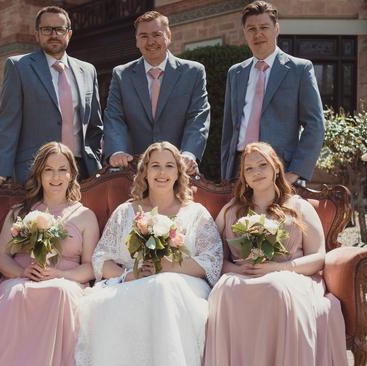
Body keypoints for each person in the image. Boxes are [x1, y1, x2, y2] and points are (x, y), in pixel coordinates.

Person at [74, 142, 223, 366]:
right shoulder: (125, 212)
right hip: (131, 283)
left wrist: (166, 268)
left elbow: (211, 260)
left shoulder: (195, 213)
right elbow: (101, 258)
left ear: (178, 173)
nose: (162, 173)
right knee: (125, 298)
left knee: (162, 286)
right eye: (155, 166)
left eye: (169, 166)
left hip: (181, 286)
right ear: (145, 172)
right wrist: (129, 276)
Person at [204, 142, 347, 366]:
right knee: (225, 290)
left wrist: (278, 267)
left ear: (276, 168)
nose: (256, 172)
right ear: (243, 176)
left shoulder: (299, 207)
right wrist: (238, 268)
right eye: (249, 169)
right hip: (242, 276)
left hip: (290, 275)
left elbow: (318, 257)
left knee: (275, 287)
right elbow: (212, 257)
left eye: (262, 165)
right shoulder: (231, 211)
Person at [0, 142, 100, 366]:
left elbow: (90, 267)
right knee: (17, 293)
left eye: (62, 169)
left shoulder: (85, 216)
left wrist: (58, 274)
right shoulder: (20, 212)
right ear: (39, 174)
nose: (55, 177)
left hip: (66, 283)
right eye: (48, 169)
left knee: (58, 292)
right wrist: (21, 272)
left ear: (71, 174)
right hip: (21, 279)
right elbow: (0, 257)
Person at [0, 5, 104, 195]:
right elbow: (9, 124)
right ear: (37, 34)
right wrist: (0, 173)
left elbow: (95, 126)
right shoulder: (19, 67)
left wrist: (94, 159)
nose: (53, 34)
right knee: (39, 225)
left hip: (81, 172)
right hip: (35, 172)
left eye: (59, 29)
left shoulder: (87, 71)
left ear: (69, 33)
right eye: (47, 29)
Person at [220, 1, 324, 184]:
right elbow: (229, 130)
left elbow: (315, 125)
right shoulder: (235, 73)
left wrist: (295, 172)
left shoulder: (299, 70)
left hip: (280, 169)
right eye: (251, 28)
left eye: (264, 27)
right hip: (239, 168)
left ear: (276, 29)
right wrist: (226, 175)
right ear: (244, 32)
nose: (258, 34)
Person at [103, 11, 211, 175]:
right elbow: (114, 116)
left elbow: (198, 117)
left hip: (179, 169)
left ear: (168, 35)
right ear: (137, 41)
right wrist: (117, 151)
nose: (151, 41)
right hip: (133, 170)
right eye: (144, 36)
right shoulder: (121, 75)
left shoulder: (194, 72)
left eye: (156, 34)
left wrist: (189, 153)